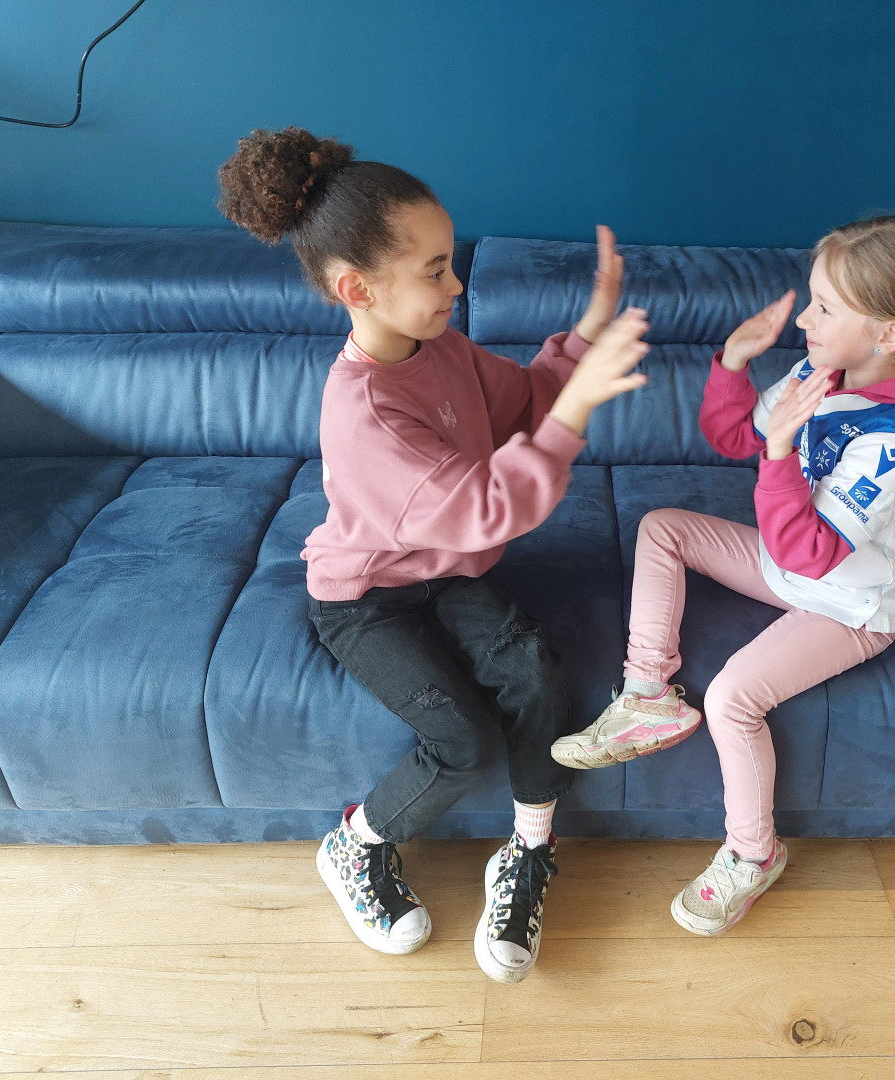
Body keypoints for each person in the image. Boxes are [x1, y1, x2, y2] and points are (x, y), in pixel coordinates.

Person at [218, 127, 649, 981]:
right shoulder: (366, 412)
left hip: (444, 572)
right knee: (463, 740)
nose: (457, 285)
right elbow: (486, 511)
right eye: (435, 271)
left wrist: (586, 332)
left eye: (452, 265)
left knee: (534, 672)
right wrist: (578, 413)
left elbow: (522, 400)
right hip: (366, 597)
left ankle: (529, 850)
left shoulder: (441, 348)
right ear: (357, 288)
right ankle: (355, 844)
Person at [551, 214, 895, 935]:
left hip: (849, 606)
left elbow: (810, 552)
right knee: (663, 527)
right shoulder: (823, 371)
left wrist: (779, 456)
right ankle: (647, 695)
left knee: (732, 698)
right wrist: (734, 363)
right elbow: (734, 435)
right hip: (788, 566)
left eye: (824, 308)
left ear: (889, 335)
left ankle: (753, 854)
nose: (804, 319)